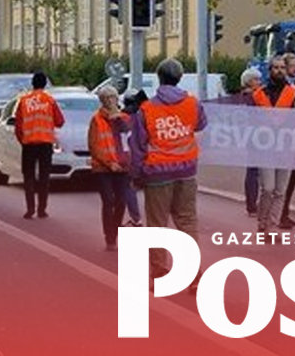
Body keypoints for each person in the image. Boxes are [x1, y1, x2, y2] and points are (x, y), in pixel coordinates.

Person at [129, 59, 207, 286]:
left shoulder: (147, 109)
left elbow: (138, 146)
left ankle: (160, 272)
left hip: (157, 173)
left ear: (159, 78)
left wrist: (135, 176)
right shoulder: (192, 103)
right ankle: (193, 275)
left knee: (157, 224)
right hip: (187, 171)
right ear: (180, 77)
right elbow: (201, 124)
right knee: (187, 222)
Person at [253, 56, 295, 234]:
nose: (279, 71)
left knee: (280, 190)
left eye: (282, 67)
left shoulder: (294, 93)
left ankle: (272, 226)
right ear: (269, 70)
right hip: (265, 146)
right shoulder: (258, 94)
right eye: (275, 67)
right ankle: (262, 222)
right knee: (268, 188)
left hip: (286, 145)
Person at [14, 72, 64, 219]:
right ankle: (42, 210)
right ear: (44, 84)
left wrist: (22, 140)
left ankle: (30, 209)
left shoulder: (23, 101)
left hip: (29, 144)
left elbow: (18, 126)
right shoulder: (50, 100)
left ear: (32, 84)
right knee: (44, 177)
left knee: (28, 176)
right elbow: (60, 121)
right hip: (46, 143)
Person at [88, 86, 131, 250]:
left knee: (121, 202)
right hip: (103, 168)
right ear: (102, 101)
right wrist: (109, 163)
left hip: (121, 167)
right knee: (108, 201)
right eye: (106, 98)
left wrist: (118, 119)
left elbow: (129, 141)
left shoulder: (124, 118)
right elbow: (94, 145)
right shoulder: (96, 120)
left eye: (113, 97)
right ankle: (110, 238)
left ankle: (115, 230)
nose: (110, 101)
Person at [278, 52, 295, 229]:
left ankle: (284, 212)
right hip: (283, 138)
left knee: (292, 178)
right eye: (294, 65)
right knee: (281, 180)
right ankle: (278, 214)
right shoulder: (282, 88)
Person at [238, 67, 264, 217]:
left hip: (251, 136)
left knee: (253, 171)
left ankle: (252, 204)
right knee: (255, 171)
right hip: (257, 137)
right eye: (256, 79)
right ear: (249, 81)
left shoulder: (242, 97)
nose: (259, 82)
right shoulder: (252, 98)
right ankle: (252, 205)